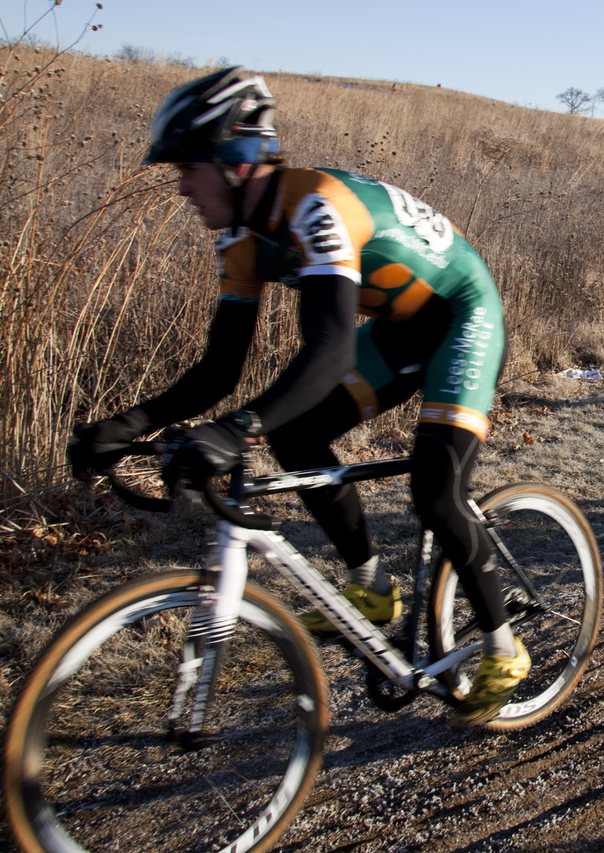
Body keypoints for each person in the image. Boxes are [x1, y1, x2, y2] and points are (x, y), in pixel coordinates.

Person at [67, 67, 528, 728]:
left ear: (234, 162)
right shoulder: (241, 240)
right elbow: (219, 368)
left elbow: (331, 350)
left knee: (434, 487)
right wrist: (126, 423)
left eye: (187, 169)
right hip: (401, 325)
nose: (180, 187)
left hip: (461, 311)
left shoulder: (316, 206)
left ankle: (503, 646)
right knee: (295, 433)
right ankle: (370, 589)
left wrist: (232, 431)